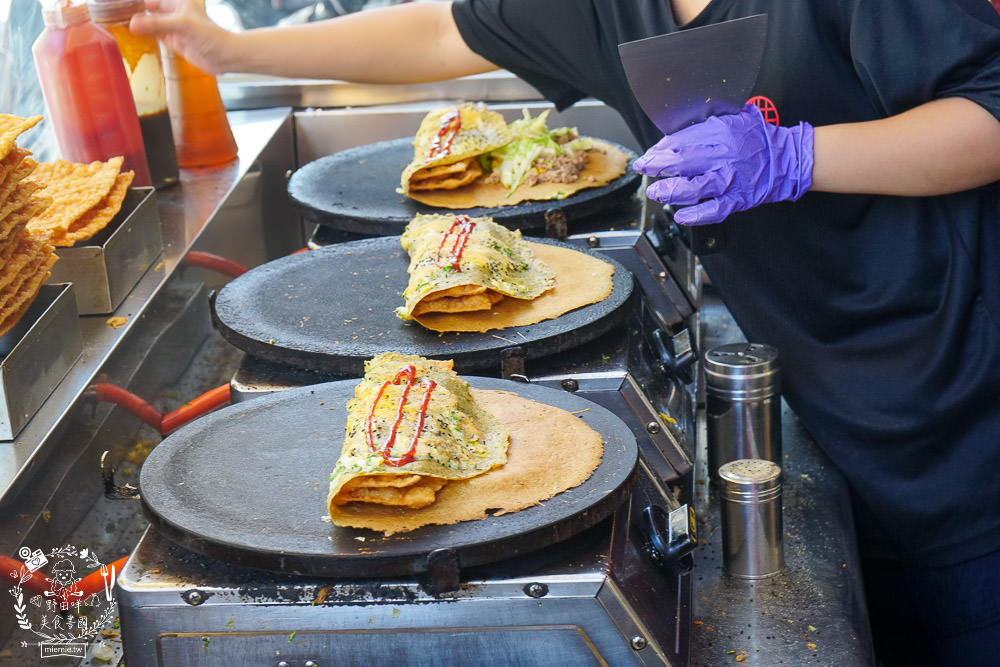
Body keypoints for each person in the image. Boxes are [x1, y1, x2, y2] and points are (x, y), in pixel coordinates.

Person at [131, 1, 1000, 664]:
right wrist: (233, 50)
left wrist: (797, 157)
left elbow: (990, 110)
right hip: (833, 386)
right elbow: (447, 31)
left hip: (961, 392)